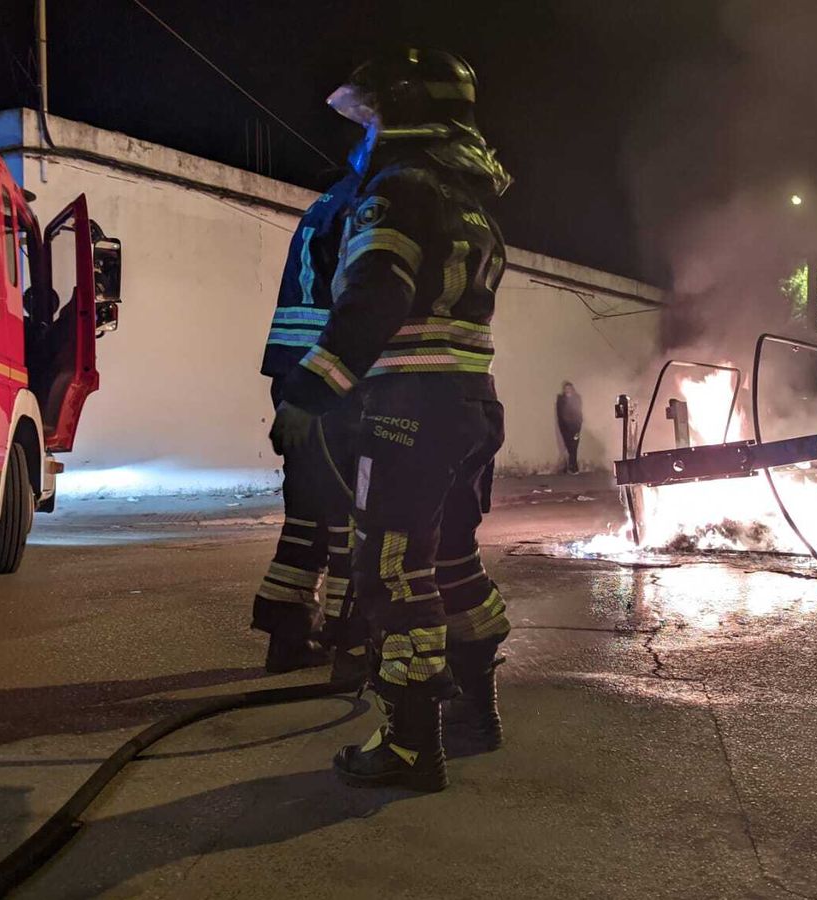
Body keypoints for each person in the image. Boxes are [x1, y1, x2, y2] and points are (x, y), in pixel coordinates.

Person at [270, 47, 513, 791]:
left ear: (404, 113)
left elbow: (376, 298)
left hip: (411, 408)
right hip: (471, 404)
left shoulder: (399, 191)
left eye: (373, 117)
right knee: (454, 562)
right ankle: (479, 711)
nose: (364, 134)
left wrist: (308, 395)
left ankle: (411, 748)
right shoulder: (469, 199)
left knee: (394, 575)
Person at [253, 170, 365, 674]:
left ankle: (288, 636)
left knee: (308, 515)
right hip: (332, 380)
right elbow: (365, 303)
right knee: (351, 517)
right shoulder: (368, 205)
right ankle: (352, 645)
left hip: (297, 378)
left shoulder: (329, 201)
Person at [556, 381, 583, 473]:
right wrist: (562, 426)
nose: (568, 390)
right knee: (569, 446)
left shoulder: (577, 398)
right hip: (565, 428)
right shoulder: (561, 399)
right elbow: (559, 414)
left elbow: (579, 413)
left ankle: (573, 467)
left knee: (574, 446)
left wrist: (578, 425)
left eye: (569, 388)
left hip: (576, 428)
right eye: (566, 388)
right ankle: (572, 466)